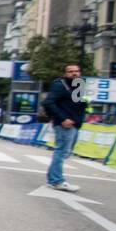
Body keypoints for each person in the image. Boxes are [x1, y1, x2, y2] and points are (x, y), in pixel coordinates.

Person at [41, 62, 85, 193]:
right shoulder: (60, 85)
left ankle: (53, 179)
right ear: (66, 74)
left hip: (75, 124)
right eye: (71, 71)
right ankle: (57, 181)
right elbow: (48, 102)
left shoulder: (79, 86)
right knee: (61, 152)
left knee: (64, 152)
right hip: (64, 125)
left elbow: (78, 106)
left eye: (77, 71)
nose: (74, 73)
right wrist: (62, 118)